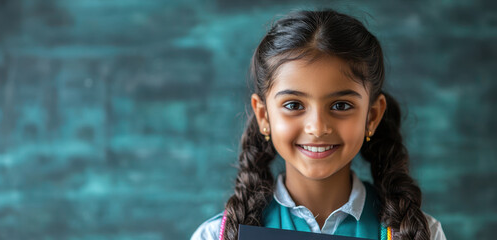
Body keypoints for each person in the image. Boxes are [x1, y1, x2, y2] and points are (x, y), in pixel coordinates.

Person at [191, 9, 446, 240]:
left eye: (341, 105)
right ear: (264, 116)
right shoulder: (217, 235)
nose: (317, 127)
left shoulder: (418, 233)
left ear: (372, 116)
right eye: (293, 105)